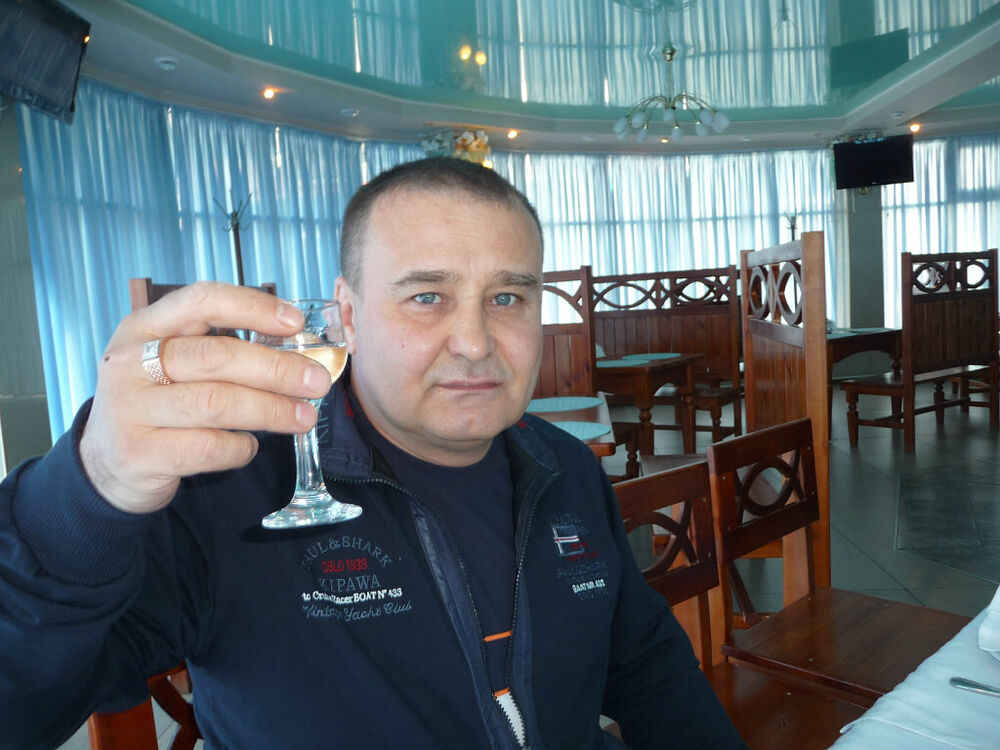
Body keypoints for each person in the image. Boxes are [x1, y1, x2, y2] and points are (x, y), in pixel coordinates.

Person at [0, 158, 747, 749]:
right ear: (347, 315)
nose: (475, 342)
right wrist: (85, 493)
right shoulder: (224, 488)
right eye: (426, 297)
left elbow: (641, 662)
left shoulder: (566, 467)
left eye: (507, 298)